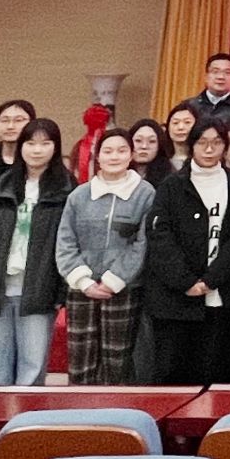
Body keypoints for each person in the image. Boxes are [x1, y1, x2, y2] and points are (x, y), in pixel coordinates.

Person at [0, 118, 72, 386]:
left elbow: (69, 245)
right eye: (30, 143)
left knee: (32, 368)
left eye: (45, 143)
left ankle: (27, 414)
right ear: (21, 147)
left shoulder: (67, 191)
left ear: (56, 148)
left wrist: (61, 293)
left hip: (40, 292)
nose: (37, 150)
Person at [141, 118, 230, 386]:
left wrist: (211, 280)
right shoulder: (171, 185)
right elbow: (160, 236)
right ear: (192, 146)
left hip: (220, 295)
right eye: (202, 143)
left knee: (214, 375)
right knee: (172, 374)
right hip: (174, 299)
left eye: (216, 142)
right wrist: (186, 281)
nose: (209, 149)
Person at [55, 128, 154, 385]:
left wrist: (113, 280)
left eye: (121, 150)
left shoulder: (145, 194)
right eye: (108, 151)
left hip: (123, 289)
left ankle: (114, 409)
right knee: (81, 362)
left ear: (131, 155)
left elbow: (142, 243)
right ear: (97, 156)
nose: (114, 156)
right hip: (82, 289)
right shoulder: (79, 196)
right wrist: (84, 282)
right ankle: (79, 409)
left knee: (117, 363)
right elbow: (65, 242)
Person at [178, 52, 230, 127]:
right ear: (206, 76)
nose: (221, 77)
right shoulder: (189, 106)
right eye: (215, 72)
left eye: (227, 72)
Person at [128, 119, 177, 186]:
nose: (144, 146)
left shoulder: (171, 178)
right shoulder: (117, 172)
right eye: (138, 140)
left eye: (152, 141)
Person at [164, 104, 197, 172]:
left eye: (187, 122)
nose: (180, 127)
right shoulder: (160, 161)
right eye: (175, 123)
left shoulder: (204, 161)